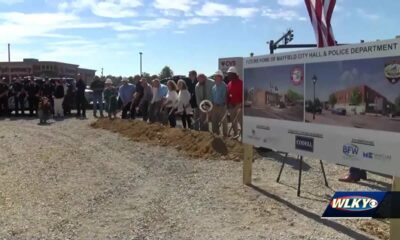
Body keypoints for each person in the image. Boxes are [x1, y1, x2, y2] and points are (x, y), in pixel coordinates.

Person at [227, 66, 243, 138]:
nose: (228, 76)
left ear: (234, 74)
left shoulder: (241, 83)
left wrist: (242, 104)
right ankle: (235, 134)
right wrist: (228, 103)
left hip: (239, 105)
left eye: (230, 74)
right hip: (231, 105)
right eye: (228, 74)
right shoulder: (229, 84)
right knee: (233, 121)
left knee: (241, 121)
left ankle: (244, 136)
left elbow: (244, 95)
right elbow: (229, 94)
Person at [211, 70, 228, 137]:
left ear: (221, 78)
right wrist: (213, 104)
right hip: (214, 106)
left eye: (217, 77)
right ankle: (216, 133)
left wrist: (222, 103)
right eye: (215, 77)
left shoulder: (224, 86)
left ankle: (225, 135)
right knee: (214, 120)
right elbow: (212, 97)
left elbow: (224, 97)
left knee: (224, 121)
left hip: (222, 106)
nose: (216, 78)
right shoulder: (213, 87)